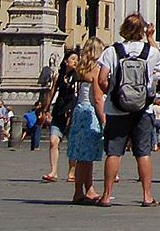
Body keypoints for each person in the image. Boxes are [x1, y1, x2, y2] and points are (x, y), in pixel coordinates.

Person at [96, 12, 160, 207]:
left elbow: (101, 78)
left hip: (117, 109)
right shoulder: (150, 52)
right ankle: (147, 195)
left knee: (114, 152)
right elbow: (157, 66)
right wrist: (151, 38)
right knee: (143, 153)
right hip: (144, 109)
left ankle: (107, 196)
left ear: (124, 29)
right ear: (142, 30)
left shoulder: (112, 51)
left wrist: (112, 94)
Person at [66, 36, 106, 205]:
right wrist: (104, 119)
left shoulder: (81, 69)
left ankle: (86, 189)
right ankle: (81, 192)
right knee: (86, 156)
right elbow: (97, 98)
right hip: (90, 112)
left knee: (82, 154)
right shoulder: (96, 69)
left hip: (79, 110)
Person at [44, 48, 79, 182]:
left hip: (72, 112)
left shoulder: (77, 76)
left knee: (72, 144)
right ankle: (53, 171)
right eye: (73, 59)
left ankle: (71, 172)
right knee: (53, 141)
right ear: (66, 61)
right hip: (59, 110)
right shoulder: (58, 76)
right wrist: (46, 109)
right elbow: (52, 92)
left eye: (77, 59)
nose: (76, 61)